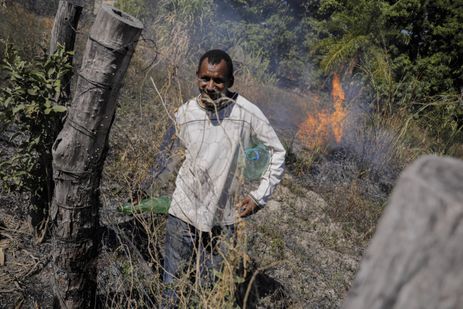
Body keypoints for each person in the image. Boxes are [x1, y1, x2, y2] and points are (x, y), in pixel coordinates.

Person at [141, 49, 286, 306]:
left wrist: (258, 197)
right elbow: (168, 158)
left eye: (218, 80)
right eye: (205, 79)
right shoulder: (185, 113)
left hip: (224, 220)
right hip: (182, 215)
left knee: (207, 292)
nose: (210, 86)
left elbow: (277, 152)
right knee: (171, 290)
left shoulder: (246, 113)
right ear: (197, 77)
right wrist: (144, 188)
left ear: (230, 81)